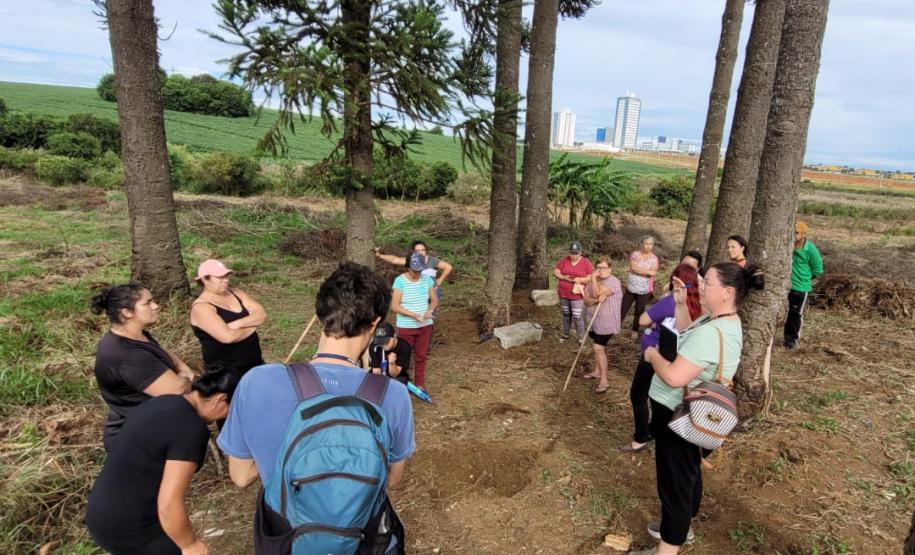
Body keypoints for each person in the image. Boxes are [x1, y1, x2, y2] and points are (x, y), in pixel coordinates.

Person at [217, 262, 415, 493]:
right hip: (357, 524)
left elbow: (240, 476)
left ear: (321, 315)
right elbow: (391, 479)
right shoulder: (392, 393)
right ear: (374, 324)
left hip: (285, 524)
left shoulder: (257, 382)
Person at [633, 262, 764, 555]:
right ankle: (681, 528)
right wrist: (680, 304)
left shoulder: (712, 330)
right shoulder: (719, 321)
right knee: (688, 475)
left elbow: (674, 376)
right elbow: (684, 333)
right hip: (694, 418)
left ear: (728, 292)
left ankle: (667, 548)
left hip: (681, 419)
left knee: (675, 488)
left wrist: (652, 354)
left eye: (707, 283)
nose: (700, 288)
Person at [85, 369, 238, 555]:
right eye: (231, 410)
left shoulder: (163, 402)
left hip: (100, 512)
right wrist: (190, 545)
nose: (227, 416)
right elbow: (169, 503)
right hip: (129, 525)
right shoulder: (191, 430)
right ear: (220, 399)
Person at [91, 284, 194, 449]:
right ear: (127, 312)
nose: (156, 306)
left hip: (147, 428)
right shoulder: (128, 355)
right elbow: (177, 389)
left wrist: (181, 368)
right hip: (136, 441)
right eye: (148, 303)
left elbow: (161, 352)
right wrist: (187, 378)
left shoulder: (137, 336)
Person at [620, 263, 701, 454]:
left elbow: (642, 320)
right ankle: (655, 431)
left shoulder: (671, 301)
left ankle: (641, 438)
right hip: (677, 359)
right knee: (661, 397)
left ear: (675, 281)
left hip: (654, 354)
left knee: (639, 393)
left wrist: (659, 308)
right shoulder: (697, 303)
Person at [190, 259, 266, 385]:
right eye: (220, 277)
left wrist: (235, 325)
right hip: (225, 375)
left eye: (226, 275)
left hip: (254, 363)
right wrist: (253, 324)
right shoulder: (202, 307)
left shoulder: (237, 293)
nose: (226, 280)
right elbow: (228, 337)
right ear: (205, 279)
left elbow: (261, 314)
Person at [390, 252, 438, 388]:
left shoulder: (427, 279)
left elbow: (434, 300)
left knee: (421, 356)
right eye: (414, 269)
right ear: (407, 266)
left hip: (425, 324)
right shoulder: (400, 281)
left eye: (419, 270)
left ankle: (419, 384)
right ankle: (401, 383)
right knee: (403, 355)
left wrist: (429, 311)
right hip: (406, 325)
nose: (417, 272)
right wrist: (414, 315)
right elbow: (395, 306)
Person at [581, 257, 622, 393]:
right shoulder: (595, 280)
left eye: (604, 268)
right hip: (593, 321)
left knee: (598, 348)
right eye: (598, 268)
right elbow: (587, 299)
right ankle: (597, 371)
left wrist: (593, 278)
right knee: (596, 348)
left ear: (610, 269)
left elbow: (598, 292)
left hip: (607, 322)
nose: (601, 271)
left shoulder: (614, 282)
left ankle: (604, 380)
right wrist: (595, 300)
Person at [375, 240, 452, 308]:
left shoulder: (432, 260)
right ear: (413, 251)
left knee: (431, 314)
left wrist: (440, 280)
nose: (421, 252)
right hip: (416, 292)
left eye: (423, 250)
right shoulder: (411, 260)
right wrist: (380, 255)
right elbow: (395, 259)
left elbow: (448, 267)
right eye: (418, 250)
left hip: (432, 291)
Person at [784, 221, 823, 350]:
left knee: (796, 315)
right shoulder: (787, 246)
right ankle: (785, 338)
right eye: (792, 232)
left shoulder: (810, 249)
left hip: (801, 288)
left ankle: (792, 341)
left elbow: (818, 269)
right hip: (786, 286)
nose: (793, 235)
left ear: (803, 234)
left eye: (796, 233)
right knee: (785, 313)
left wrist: (805, 278)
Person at [553, 241, 594, 343]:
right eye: (572, 253)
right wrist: (563, 277)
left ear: (580, 252)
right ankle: (565, 334)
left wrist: (580, 280)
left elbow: (591, 277)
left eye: (576, 253)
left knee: (577, 316)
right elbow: (556, 271)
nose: (574, 255)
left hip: (577, 294)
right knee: (566, 314)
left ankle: (581, 337)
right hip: (563, 293)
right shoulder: (564, 260)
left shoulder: (586, 262)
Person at [620, 236, 660, 339]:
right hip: (631, 288)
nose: (648, 246)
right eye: (646, 243)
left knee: (639, 310)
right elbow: (633, 267)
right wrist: (646, 271)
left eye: (650, 244)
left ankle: (634, 330)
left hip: (644, 290)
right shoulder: (635, 254)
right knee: (623, 308)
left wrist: (638, 270)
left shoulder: (654, 258)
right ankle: (615, 326)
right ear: (642, 244)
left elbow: (653, 273)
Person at [369, 321, 412, 386]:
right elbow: (376, 370)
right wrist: (379, 383)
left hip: (398, 376)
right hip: (380, 374)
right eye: (381, 341)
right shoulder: (374, 346)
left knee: (398, 384)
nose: (383, 344)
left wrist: (392, 363)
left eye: (387, 341)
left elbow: (394, 374)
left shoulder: (404, 347)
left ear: (394, 336)